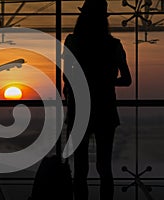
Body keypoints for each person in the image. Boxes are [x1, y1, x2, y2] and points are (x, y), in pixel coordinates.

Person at [63, 0, 132, 199]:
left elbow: (67, 76)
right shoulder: (113, 45)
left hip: (79, 111)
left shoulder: (73, 42)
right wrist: (107, 82)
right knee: (105, 168)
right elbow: (126, 80)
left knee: (80, 171)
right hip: (105, 111)